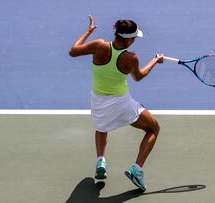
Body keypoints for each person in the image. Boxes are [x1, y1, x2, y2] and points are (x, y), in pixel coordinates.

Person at [69, 16, 163, 191]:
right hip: (121, 103)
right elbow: (139, 77)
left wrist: (88, 32)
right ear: (128, 39)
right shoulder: (131, 58)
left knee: (101, 128)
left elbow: (73, 51)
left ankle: (100, 161)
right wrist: (155, 61)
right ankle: (137, 169)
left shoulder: (99, 45)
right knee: (153, 129)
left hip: (98, 100)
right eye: (134, 38)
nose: (134, 41)